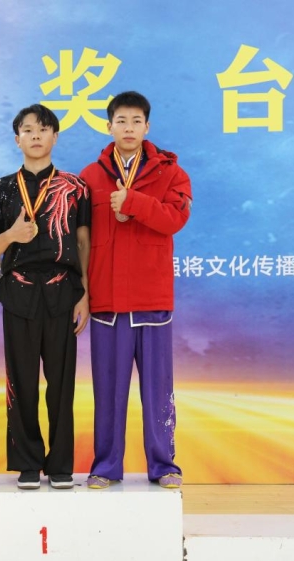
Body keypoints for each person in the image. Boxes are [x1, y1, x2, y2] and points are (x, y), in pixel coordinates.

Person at [80, 91, 192, 490]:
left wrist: (134, 202)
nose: (128, 128)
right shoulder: (89, 177)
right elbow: (81, 240)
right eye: (121, 121)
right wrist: (83, 293)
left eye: (136, 121)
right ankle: (106, 466)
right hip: (107, 302)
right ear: (108, 126)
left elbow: (174, 220)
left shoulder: (171, 174)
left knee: (158, 389)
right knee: (108, 391)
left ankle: (164, 465)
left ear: (147, 127)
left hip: (151, 300)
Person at [0, 104, 91, 490]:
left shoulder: (75, 188)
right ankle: (27, 462)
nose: (36, 135)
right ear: (17, 139)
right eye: (28, 130)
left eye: (43, 129)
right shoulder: (2, 189)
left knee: (61, 383)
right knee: (21, 380)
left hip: (63, 292)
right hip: (19, 293)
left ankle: (60, 464)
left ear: (55, 137)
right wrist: (11, 235)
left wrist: (84, 294)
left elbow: (83, 242)